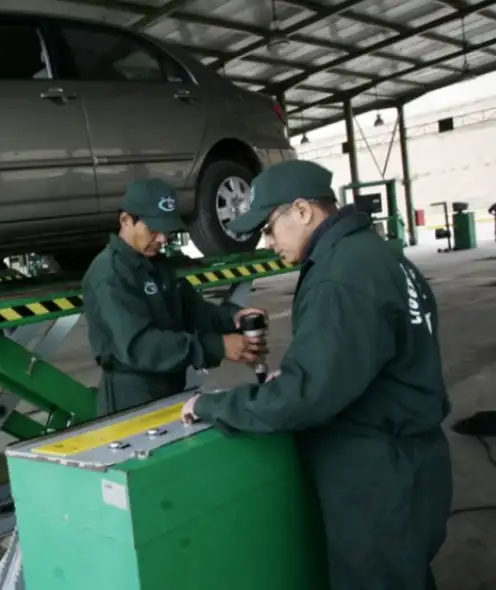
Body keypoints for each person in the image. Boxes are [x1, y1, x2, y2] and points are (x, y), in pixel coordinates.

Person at [180, 159, 453, 590]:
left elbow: (306, 396)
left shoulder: (339, 276)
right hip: (413, 458)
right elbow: (359, 357)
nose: (268, 243)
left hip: (376, 473)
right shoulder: (377, 254)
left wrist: (214, 404)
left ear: (303, 211)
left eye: (269, 228)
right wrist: (300, 376)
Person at [82, 177, 268, 416]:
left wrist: (234, 318)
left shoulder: (158, 264)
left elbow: (193, 311)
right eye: (153, 229)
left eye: (166, 231)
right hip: (131, 399)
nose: (162, 239)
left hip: (169, 388)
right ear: (126, 220)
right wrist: (216, 346)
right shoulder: (109, 275)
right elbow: (141, 346)